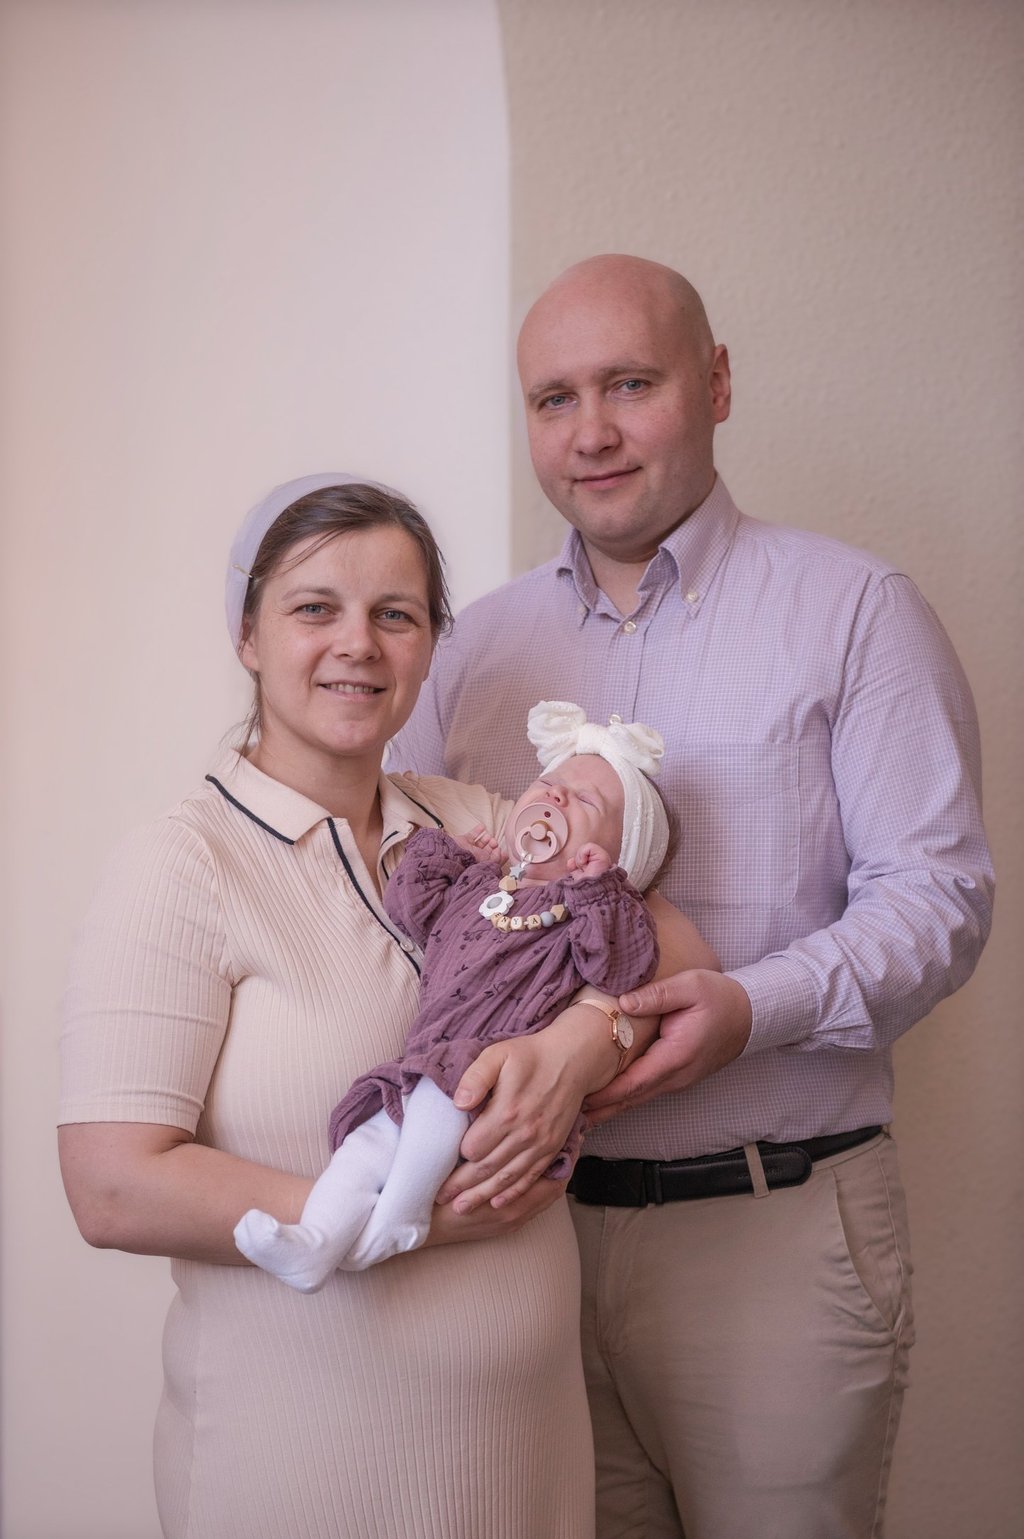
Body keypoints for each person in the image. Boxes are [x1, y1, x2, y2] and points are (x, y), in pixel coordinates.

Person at [389, 255, 996, 1539]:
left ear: (715, 384)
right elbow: (414, 911)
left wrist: (748, 1009)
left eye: (630, 384)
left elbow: (937, 899)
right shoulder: (473, 649)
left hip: (769, 1234)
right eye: (554, 399)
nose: (591, 433)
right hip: (523, 1250)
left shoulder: (854, 610)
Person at [60, 472, 698, 1539]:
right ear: (247, 634)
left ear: (430, 645)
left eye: (395, 614)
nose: (357, 643)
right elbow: (112, 1187)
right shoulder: (183, 865)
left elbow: (676, 945)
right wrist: (413, 1225)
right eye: (315, 607)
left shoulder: (472, 820)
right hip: (309, 1471)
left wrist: (581, 1046)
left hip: (526, 1456)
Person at [235, 699, 669, 1287]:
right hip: (429, 1056)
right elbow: (410, 909)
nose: (557, 798)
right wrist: (452, 855)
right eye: (549, 785)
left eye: (586, 802)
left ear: (621, 856)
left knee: (440, 1106)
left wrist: (600, 890)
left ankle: (400, 1220)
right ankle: (316, 1239)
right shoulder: (481, 886)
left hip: (496, 1075)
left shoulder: (589, 911)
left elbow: (621, 968)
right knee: (368, 1141)